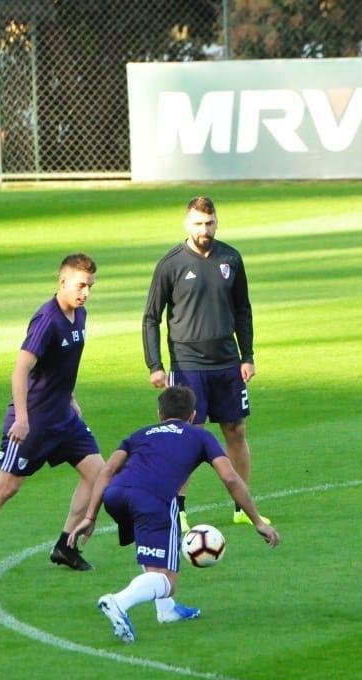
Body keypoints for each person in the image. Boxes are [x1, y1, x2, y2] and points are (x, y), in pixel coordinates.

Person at [68, 386, 279, 643]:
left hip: (115, 495)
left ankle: (166, 611)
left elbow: (107, 470)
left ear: (159, 414)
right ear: (192, 416)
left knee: (153, 550)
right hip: (153, 500)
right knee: (168, 579)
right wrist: (257, 520)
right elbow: (230, 478)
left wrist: (90, 517)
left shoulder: (140, 433)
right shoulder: (200, 437)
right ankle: (118, 602)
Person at [0, 253, 106, 576]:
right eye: (81, 285)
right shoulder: (46, 319)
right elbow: (21, 370)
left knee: (99, 475)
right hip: (33, 421)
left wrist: (70, 397)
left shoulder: (80, 315)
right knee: (7, 487)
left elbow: (60, 366)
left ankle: (66, 546)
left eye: (90, 286)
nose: (86, 292)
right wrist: (21, 418)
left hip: (63, 418)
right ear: (62, 281)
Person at [142, 196, 267, 530]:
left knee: (236, 430)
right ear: (187, 224)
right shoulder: (170, 263)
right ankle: (179, 510)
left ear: (217, 222)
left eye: (209, 223)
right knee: (187, 436)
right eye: (198, 223)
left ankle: (242, 506)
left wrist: (248, 356)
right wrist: (155, 364)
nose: (204, 229)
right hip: (187, 364)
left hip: (227, 362)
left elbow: (243, 310)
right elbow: (151, 317)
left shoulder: (231, 258)